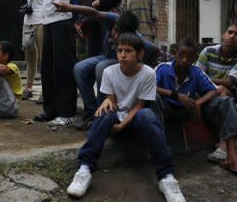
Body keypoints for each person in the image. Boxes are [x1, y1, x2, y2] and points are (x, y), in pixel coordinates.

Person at [66, 33, 185, 202]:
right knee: (104, 112)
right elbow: (112, 101)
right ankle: (85, 169)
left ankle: (167, 177)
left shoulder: (148, 73)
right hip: (114, 119)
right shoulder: (109, 72)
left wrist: (122, 125)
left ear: (140, 54)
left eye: (128, 51)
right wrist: (107, 102)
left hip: (135, 120)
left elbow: (140, 105)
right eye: (119, 50)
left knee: (147, 115)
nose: (122, 54)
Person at [53, 1, 159, 130]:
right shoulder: (115, 19)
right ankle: (91, 113)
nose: (113, 34)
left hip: (120, 63)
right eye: (114, 30)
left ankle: (103, 114)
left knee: (101, 68)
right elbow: (94, 12)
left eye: (118, 33)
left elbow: (154, 50)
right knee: (79, 68)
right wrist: (70, 8)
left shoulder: (137, 39)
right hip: (106, 57)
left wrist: (141, 65)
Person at [156, 38, 237, 177]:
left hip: (187, 110)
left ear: (195, 58)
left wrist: (197, 104)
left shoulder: (196, 72)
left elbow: (214, 91)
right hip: (166, 109)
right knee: (155, 98)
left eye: (189, 57)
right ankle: (159, 151)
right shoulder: (163, 68)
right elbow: (150, 87)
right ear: (174, 54)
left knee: (225, 102)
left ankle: (232, 156)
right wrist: (176, 96)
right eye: (181, 55)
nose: (184, 60)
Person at [34, 0, 86, 127]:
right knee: (47, 68)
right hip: (47, 23)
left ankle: (67, 112)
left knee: (62, 68)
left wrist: (77, 18)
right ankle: (50, 110)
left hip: (62, 23)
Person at [195, 23, 237, 163]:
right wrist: (214, 86)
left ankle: (224, 147)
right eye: (230, 32)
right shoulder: (208, 51)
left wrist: (210, 81)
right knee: (224, 94)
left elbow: (231, 83)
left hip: (226, 94)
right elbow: (196, 76)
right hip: (204, 92)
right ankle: (229, 145)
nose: (232, 36)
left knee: (226, 95)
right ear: (224, 34)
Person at [21, 0, 45, 100]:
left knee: (43, 57)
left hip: (41, 21)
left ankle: (45, 90)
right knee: (29, 56)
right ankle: (29, 87)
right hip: (27, 22)